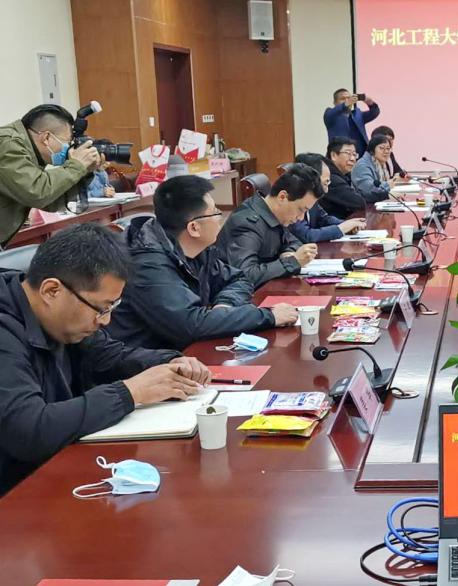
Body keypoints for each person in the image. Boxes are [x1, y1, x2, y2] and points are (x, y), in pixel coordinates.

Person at [0, 223, 211, 494]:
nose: (106, 320)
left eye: (112, 307)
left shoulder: (63, 318)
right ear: (52, 291)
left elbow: (110, 356)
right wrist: (129, 393)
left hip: (58, 467)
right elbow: (29, 431)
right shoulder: (5, 333)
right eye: (101, 309)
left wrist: (169, 362)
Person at [106, 175, 300, 351]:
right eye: (215, 213)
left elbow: (238, 278)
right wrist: (269, 316)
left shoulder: (194, 247)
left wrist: (226, 304)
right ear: (194, 227)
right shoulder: (148, 264)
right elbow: (190, 325)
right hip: (149, 362)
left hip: (186, 352)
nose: (220, 219)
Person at [0, 104, 102, 247]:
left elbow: (50, 202)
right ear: (46, 137)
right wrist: (76, 166)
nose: (69, 149)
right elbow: (36, 192)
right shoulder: (8, 144)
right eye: (67, 143)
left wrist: (85, 171)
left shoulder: (27, 150)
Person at [216, 164, 322, 288]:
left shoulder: (276, 214)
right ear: (282, 197)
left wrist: (288, 253)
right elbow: (244, 276)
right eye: (301, 209)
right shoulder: (246, 224)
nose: (301, 218)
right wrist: (292, 262)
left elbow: (293, 242)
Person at [288, 153, 365, 243]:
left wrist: (348, 224)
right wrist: (340, 229)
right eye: (325, 183)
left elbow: (324, 219)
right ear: (312, 179)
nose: (326, 190)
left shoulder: (312, 198)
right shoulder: (291, 200)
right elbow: (307, 236)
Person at [323, 88, 380, 156]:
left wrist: (369, 102)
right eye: (343, 99)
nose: (348, 100)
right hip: (341, 156)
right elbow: (331, 113)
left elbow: (374, 112)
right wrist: (345, 104)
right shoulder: (331, 115)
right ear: (335, 103)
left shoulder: (357, 114)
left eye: (349, 98)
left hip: (361, 156)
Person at [322, 138, 368, 219]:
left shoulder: (345, 175)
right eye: (348, 153)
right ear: (333, 155)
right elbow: (359, 202)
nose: (352, 159)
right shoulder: (331, 178)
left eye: (354, 154)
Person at [352, 134, 400, 203]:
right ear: (372, 149)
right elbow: (368, 189)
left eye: (388, 148)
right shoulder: (362, 165)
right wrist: (389, 184)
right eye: (382, 148)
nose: (386, 151)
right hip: (365, 206)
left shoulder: (380, 163)